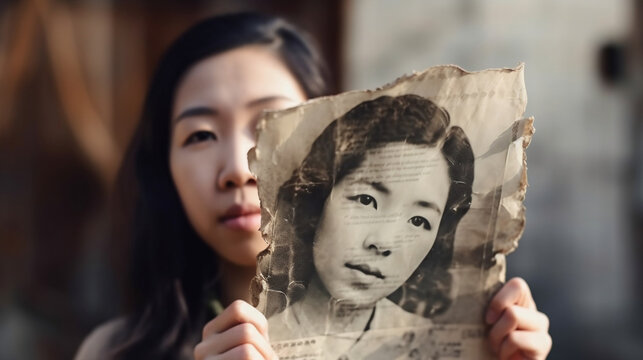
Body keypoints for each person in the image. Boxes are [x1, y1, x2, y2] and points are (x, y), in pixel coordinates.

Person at [75, 12, 552, 360]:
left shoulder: (452, 345)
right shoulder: (114, 352)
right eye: (200, 135)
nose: (239, 168)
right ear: (165, 168)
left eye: (271, 123)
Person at [264, 94, 474, 358]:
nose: (383, 242)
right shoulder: (252, 341)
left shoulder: (436, 348)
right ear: (320, 195)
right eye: (367, 200)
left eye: (419, 221)